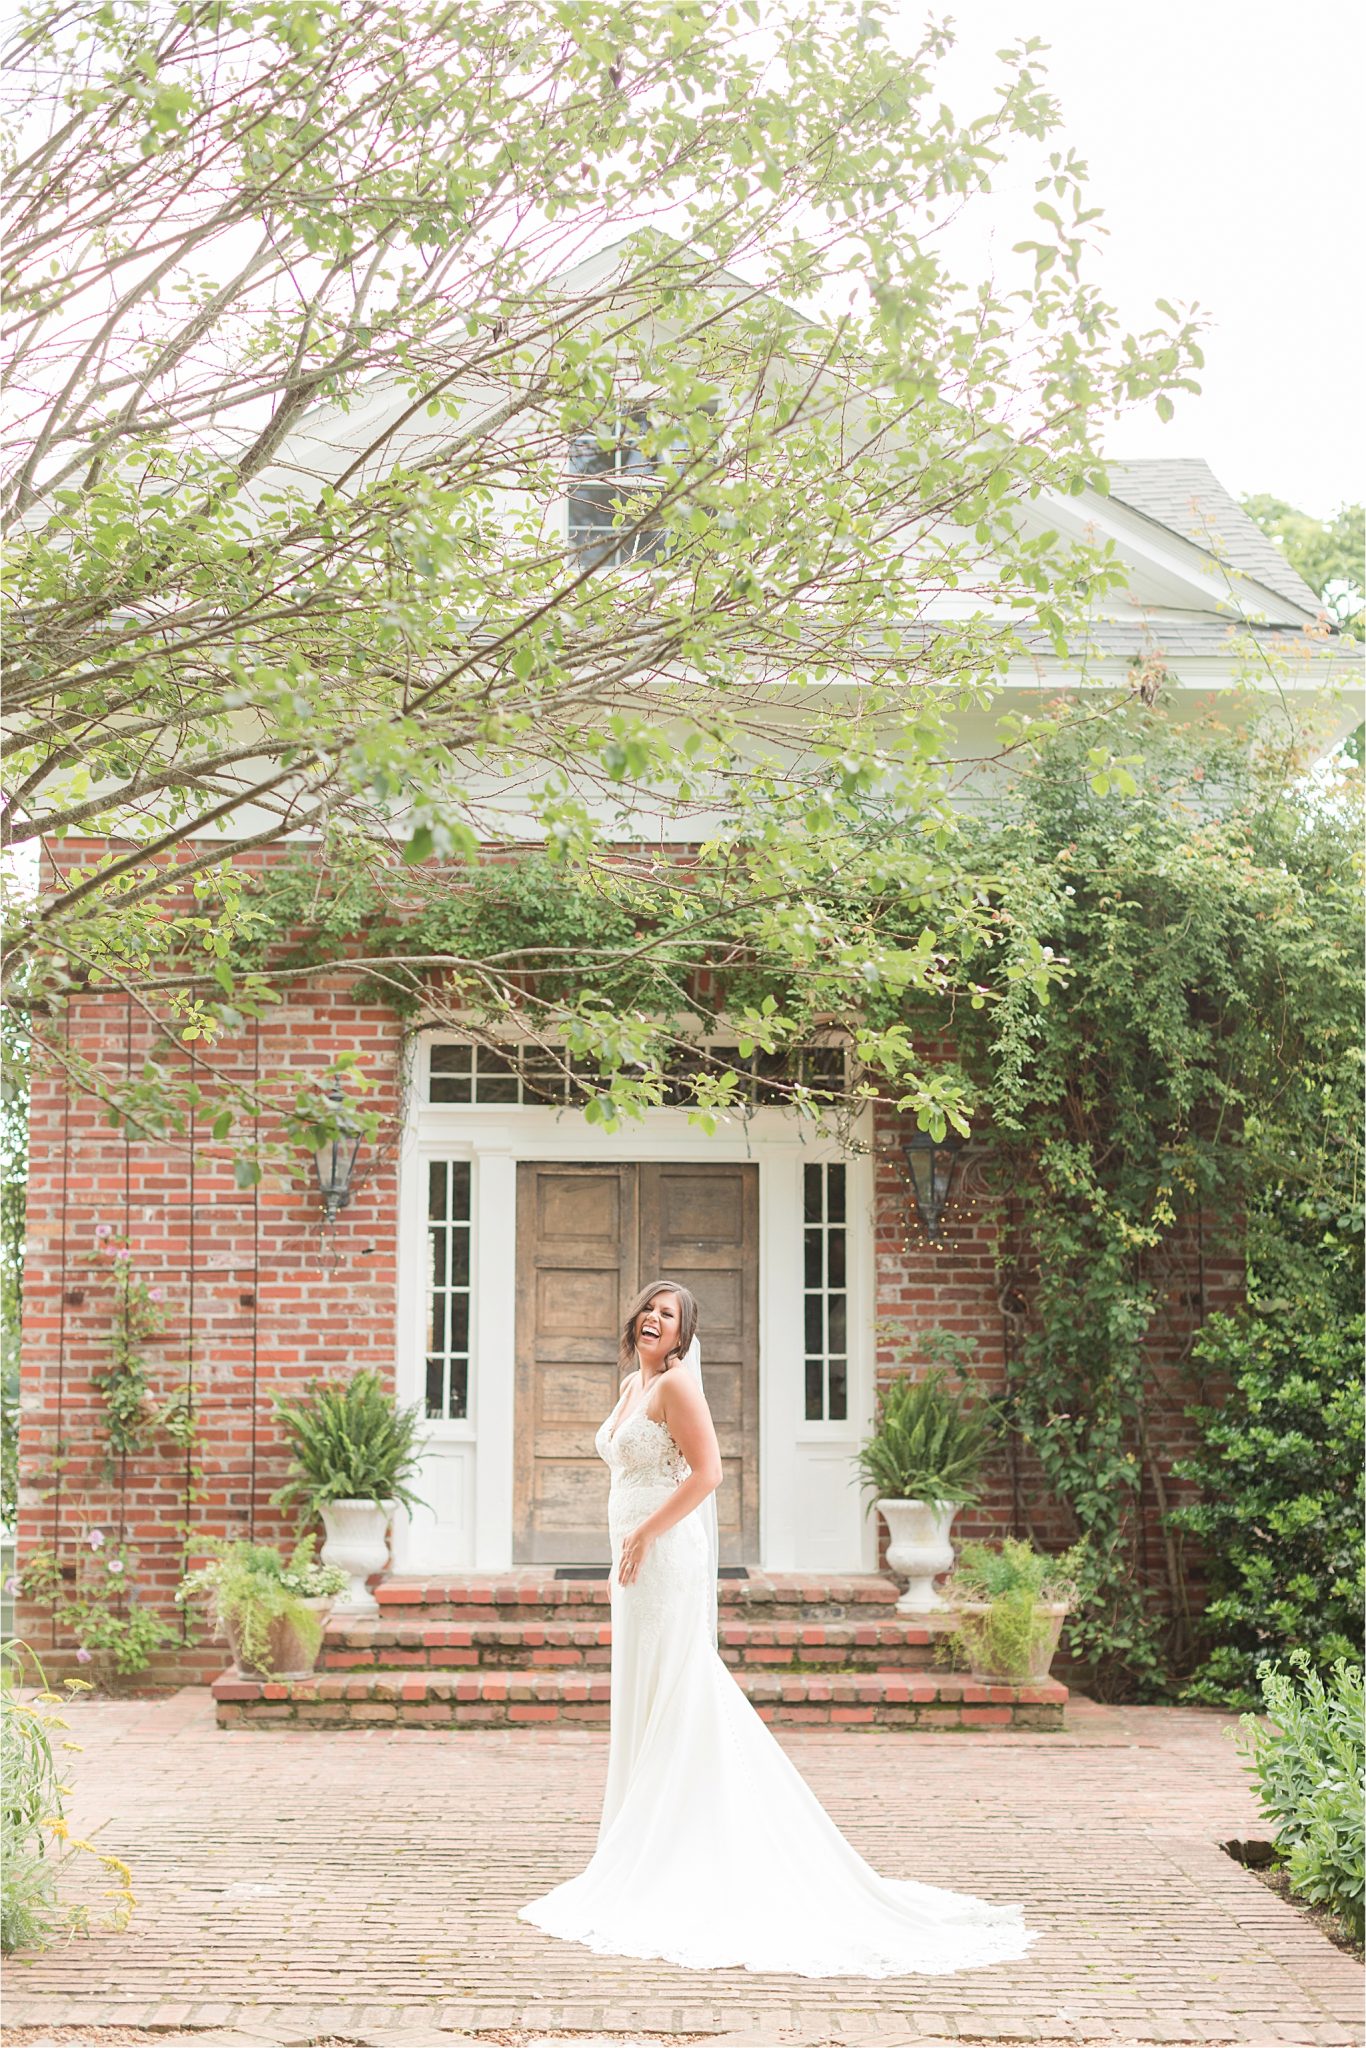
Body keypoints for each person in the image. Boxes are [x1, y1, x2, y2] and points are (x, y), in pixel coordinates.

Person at [518, 1280, 1043, 1979]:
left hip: (665, 1555)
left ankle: (684, 1844)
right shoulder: (627, 1387)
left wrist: (645, 1532)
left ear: (683, 1335)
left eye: (667, 1314)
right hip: (633, 1562)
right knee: (647, 1690)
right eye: (648, 1307)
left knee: (680, 1685)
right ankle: (639, 1837)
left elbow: (706, 1475)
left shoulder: (678, 1388)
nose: (653, 1317)